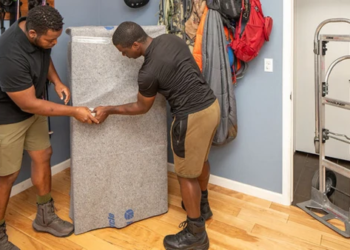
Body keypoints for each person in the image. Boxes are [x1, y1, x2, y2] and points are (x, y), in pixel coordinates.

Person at [94, 21, 220, 250]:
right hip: (211, 107)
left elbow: (141, 107)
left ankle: (196, 234)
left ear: (135, 45)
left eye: (123, 51)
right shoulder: (171, 39)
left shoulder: (148, 72)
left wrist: (109, 109)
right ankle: (203, 206)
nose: (124, 56)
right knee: (200, 161)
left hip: (191, 117)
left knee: (185, 174)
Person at [0, 5, 98, 250]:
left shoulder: (36, 32)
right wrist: (75, 111)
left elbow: (44, 57)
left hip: (34, 109)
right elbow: (29, 103)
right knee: (6, 176)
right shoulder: (9, 54)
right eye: (51, 40)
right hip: (8, 116)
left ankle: (44, 217)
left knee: (43, 155)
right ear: (33, 34)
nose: (55, 43)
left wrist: (56, 81)